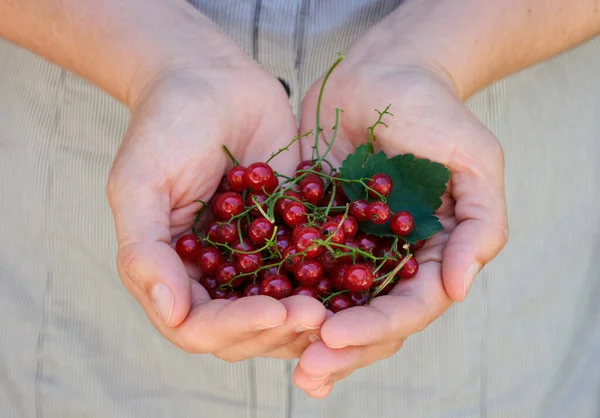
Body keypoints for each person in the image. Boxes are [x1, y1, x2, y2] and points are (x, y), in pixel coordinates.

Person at [1, 0, 599, 416]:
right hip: (89, 129)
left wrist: (433, 57)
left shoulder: (330, 233)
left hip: (499, 81)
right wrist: (160, 58)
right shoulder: (265, 227)